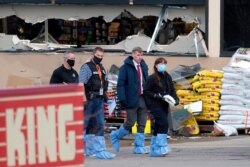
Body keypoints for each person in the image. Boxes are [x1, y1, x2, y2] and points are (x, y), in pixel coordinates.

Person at [110, 46, 149, 154]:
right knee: (131, 121)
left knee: (142, 123)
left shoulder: (144, 66)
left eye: (141, 55)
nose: (139, 57)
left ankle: (139, 146)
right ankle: (116, 135)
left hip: (142, 98)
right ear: (132, 55)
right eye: (137, 54)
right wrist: (123, 98)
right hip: (131, 98)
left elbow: (146, 81)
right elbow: (120, 85)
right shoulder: (125, 68)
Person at [79, 47, 115, 159]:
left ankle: (98, 149)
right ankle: (83, 149)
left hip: (99, 99)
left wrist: (106, 95)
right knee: (85, 124)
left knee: (98, 123)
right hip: (89, 99)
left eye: (101, 56)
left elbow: (103, 83)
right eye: (98, 55)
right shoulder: (86, 67)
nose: (99, 58)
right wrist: (83, 98)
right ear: (93, 54)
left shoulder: (102, 68)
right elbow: (81, 84)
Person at [143, 57, 179, 157]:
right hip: (154, 104)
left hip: (164, 103)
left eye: (164, 63)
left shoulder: (167, 76)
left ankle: (154, 148)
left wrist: (176, 100)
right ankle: (161, 146)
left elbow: (172, 90)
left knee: (159, 125)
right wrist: (156, 95)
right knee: (164, 123)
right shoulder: (152, 78)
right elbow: (146, 91)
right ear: (156, 65)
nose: (163, 65)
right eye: (161, 64)